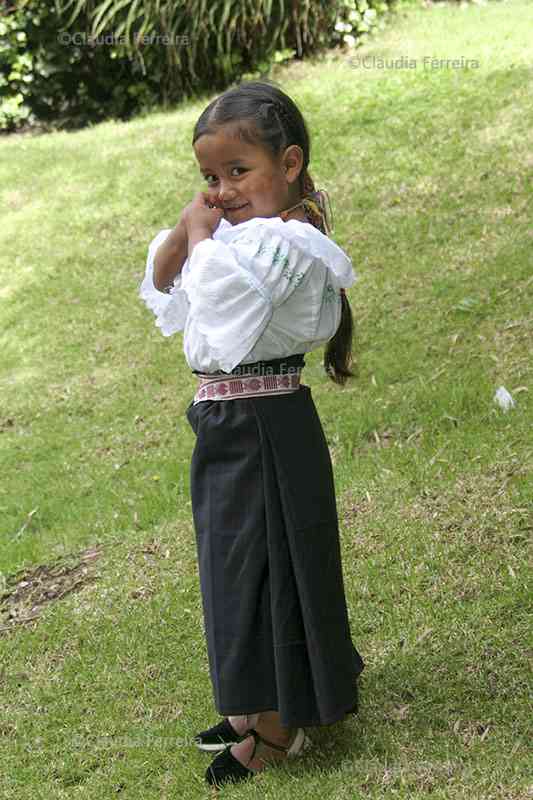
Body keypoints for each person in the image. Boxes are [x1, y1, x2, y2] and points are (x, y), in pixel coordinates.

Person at [138, 79, 364, 789]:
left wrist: (202, 239)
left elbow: (216, 294)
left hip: (266, 423)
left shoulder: (291, 241)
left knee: (268, 568)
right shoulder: (238, 235)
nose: (223, 189)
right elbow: (166, 281)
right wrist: (185, 231)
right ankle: (253, 704)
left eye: (239, 172)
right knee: (233, 569)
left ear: (289, 163)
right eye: (210, 176)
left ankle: (277, 728)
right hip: (226, 422)